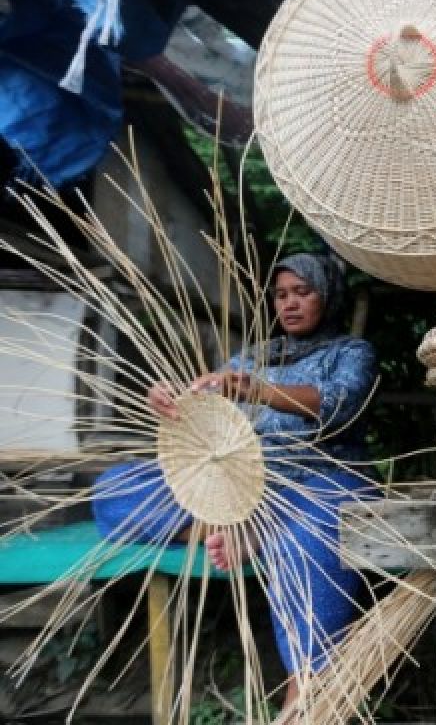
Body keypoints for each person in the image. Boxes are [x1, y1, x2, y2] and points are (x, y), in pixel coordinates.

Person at [92, 252, 379, 707]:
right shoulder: (251, 358)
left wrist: (255, 389)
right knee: (114, 488)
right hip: (244, 483)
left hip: (321, 477)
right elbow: (212, 422)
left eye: (303, 292)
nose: (290, 303)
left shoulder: (350, 353)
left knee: (307, 539)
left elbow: (340, 404)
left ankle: (306, 686)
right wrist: (174, 407)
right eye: (281, 295)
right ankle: (231, 524)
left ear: (327, 296)